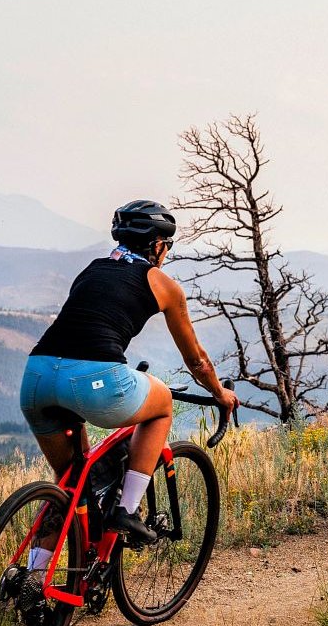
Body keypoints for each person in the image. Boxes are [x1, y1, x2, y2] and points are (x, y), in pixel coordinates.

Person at [18, 200, 240, 583]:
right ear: (157, 245)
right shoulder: (164, 285)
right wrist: (220, 393)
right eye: (166, 246)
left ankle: (35, 580)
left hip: (36, 378)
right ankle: (127, 509)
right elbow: (197, 361)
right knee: (163, 405)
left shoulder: (92, 270)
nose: (166, 253)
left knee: (71, 480)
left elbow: (94, 322)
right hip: (96, 381)